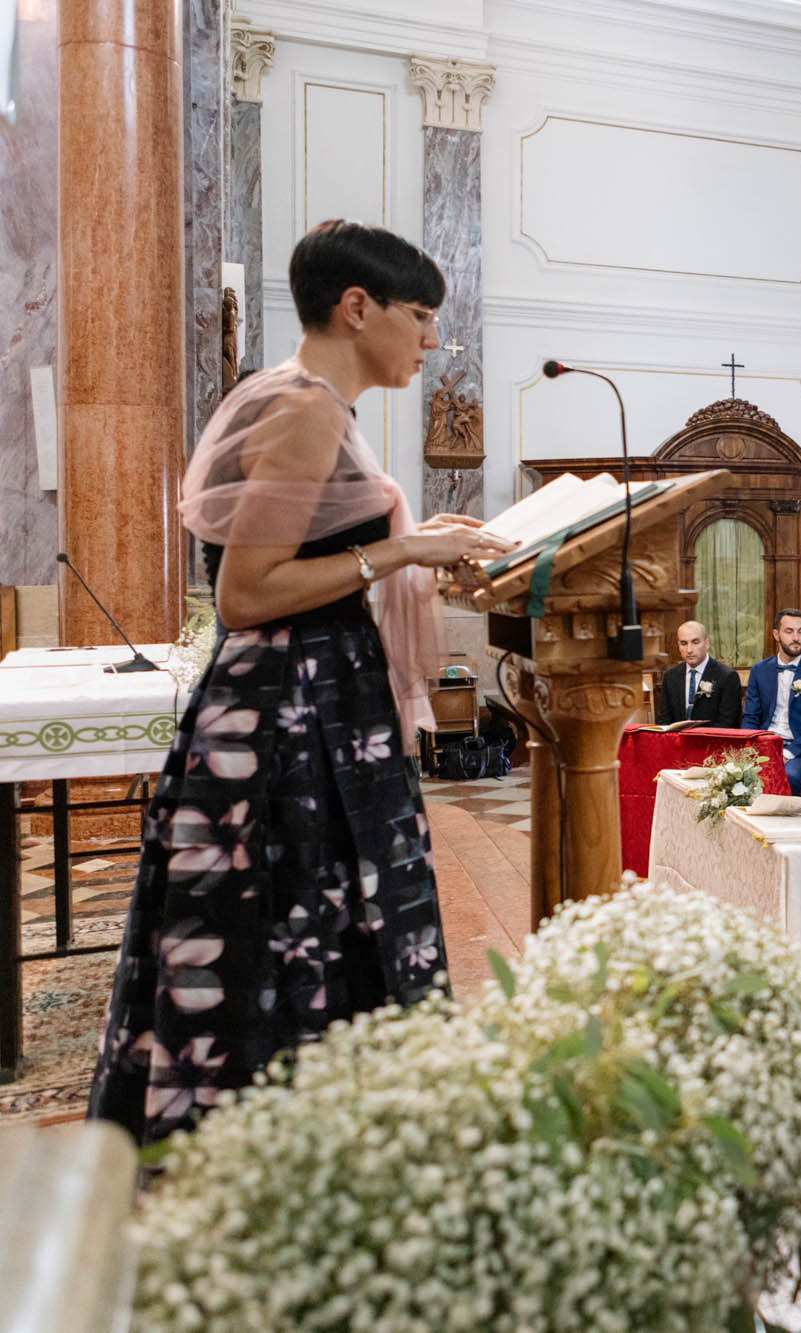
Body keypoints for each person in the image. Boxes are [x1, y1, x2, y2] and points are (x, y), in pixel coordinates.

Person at [89, 221, 519, 1145]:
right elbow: (246, 593)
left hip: (319, 700)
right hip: (287, 717)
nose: (434, 341)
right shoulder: (307, 406)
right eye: (422, 316)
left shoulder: (317, 406)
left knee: (321, 925)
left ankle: (323, 1148)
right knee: (292, 925)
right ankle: (293, 1154)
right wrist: (402, 545)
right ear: (357, 307)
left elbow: (322, 547)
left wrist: (416, 536)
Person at [743, 607, 801, 793]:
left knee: (787, 775)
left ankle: (785, 822)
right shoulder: (759, 671)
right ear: (776, 634)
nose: (796, 638)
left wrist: (787, 753)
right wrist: (751, 748)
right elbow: (750, 717)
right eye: (789, 631)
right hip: (765, 744)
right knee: (737, 772)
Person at [654, 618, 742, 728]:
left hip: (712, 742)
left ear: (707, 643)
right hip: (677, 742)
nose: (689, 650)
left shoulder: (727, 676)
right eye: (684, 643)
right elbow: (663, 719)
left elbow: (727, 723)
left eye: (695, 642)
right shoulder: (670, 676)